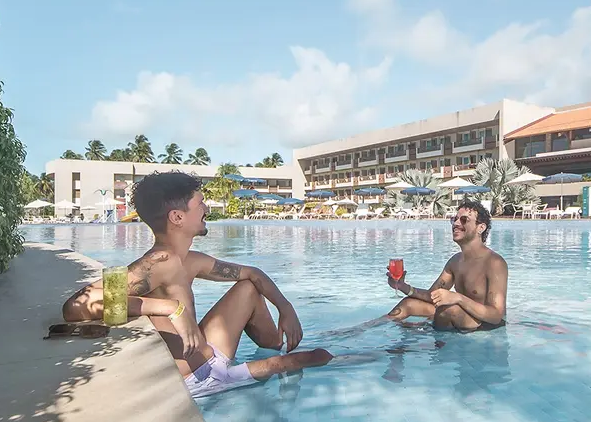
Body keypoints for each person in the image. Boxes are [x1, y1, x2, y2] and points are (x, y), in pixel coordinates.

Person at [61, 171, 333, 398]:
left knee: (249, 286)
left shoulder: (189, 260)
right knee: (318, 357)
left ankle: (277, 342)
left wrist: (285, 308)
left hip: (209, 353)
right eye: (200, 203)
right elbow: (75, 306)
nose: (206, 208)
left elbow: (253, 273)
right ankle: (369, 356)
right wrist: (169, 308)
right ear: (178, 217)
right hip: (201, 378)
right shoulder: (158, 262)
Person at [385, 200, 507, 331]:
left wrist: (458, 298)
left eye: (464, 220)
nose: (456, 223)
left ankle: (424, 339)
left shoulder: (494, 263)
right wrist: (403, 287)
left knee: (447, 309)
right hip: (459, 316)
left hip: (485, 324)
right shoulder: (455, 261)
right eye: (454, 219)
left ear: (481, 228)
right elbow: (432, 296)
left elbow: (496, 315)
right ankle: (368, 329)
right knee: (408, 303)